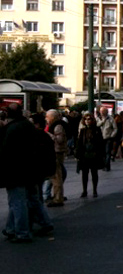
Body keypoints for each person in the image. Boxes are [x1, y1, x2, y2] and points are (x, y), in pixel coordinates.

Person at [1, 104, 49, 243]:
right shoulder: (28, 126)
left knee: (17, 202)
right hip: (30, 170)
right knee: (31, 199)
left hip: (15, 171)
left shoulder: (11, 129)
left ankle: (21, 232)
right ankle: (13, 228)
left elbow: (6, 153)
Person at [76, 114, 105, 198]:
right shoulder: (82, 131)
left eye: (89, 119)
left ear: (92, 120)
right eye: (85, 119)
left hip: (94, 155)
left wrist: (100, 154)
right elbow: (79, 143)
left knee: (94, 173)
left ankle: (94, 190)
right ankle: (84, 190)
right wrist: (78, 154)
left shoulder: (97, 130)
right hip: (85, 155)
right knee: (84, 174)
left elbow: (100, 143)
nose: (87, 121)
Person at [45, 109, 68, 207]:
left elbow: (60, 140)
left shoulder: (57, 126)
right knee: (58, 175)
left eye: (47, 116)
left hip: (56, 152)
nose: (46, 119)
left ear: (52, 117)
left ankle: (58, 198)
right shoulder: (56, 125)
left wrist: (48, 135)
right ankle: (56, 196)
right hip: (57, 151)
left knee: (56, 176)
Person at [96, 107, 117, 171]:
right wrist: (102, 121)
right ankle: (104, 165)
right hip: (100, 138)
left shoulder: (111, 119)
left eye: (103, 111)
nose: (102, 112)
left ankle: (107, 166)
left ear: (106, 112)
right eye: (101, 111)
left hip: (108, 138)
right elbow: (97, 125)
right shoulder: (98, 118)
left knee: (107, 152)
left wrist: (112, 135)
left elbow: (115, 128)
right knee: (102, 153)